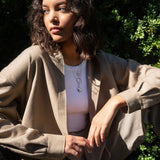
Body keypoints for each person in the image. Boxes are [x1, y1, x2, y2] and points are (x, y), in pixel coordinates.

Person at [0, 0, 160, 160]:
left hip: (97, 152)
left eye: (61, 9)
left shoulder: (100, 61)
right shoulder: (34, 58)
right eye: (45, 11)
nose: (51, 18)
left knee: (151, 97)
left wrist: (116, 102)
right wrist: (56, 144)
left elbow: (156, 77)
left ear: (81, 15)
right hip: (49, 156)